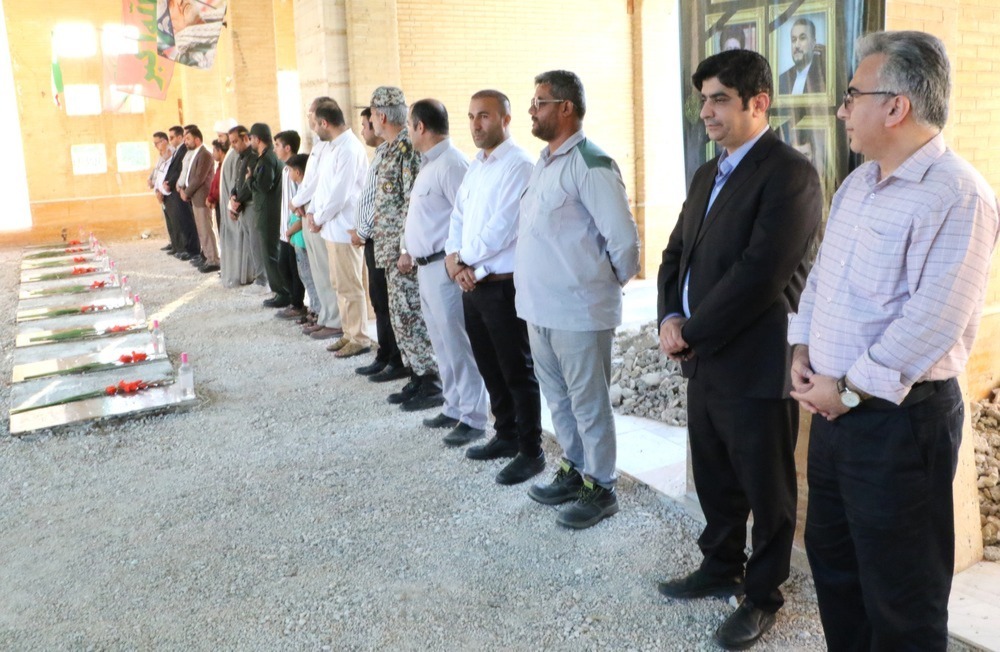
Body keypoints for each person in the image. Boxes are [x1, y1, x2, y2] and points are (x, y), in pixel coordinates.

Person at [787, 31, 999, 651]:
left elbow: (933, 319)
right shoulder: (858, 185)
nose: (842, 110)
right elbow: (821, 278)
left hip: (899, 426)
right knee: (836, 567)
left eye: (852, 95)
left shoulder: (958, 194)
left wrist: (847, 390)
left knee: (901, 594)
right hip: (835, 414)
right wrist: (802, 349)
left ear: (896, 106)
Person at [655, 49, 822, 650]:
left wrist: (691, 331)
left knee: (766, 488)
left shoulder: (790, 175)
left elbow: (760, 275)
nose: (706, 111)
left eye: (719, 99)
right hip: (703, 360)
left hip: (756, 362)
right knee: (715, 475)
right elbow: (675, 253)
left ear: (759, 103)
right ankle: (720, 564)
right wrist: (669, 316)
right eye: (703, 100)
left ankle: (762, 594)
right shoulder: (709, 173)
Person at [517, 71, 640, 521]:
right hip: (539, 309)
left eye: (540, 102)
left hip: (579, 312)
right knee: (559, 400)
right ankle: (575, 468)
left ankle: (601, 487)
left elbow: (624, 243)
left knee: (589, 405)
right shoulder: (544, 162)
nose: (532, 110)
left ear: (566, 108)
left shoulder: (591, 163)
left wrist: (599, 284)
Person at [444, 89, 543, 482]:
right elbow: (458, 217)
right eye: (471, 116)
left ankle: (531, 450)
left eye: (484, 116)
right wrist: (454, 260)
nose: (476, 124)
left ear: (505, 119)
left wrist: (463, 260)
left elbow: (503, 228)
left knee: (517, 369)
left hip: (503, 286)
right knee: (489, 365)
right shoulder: (477, 166)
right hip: (473, 285)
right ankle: (505, 434)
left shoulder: (519, 165)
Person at [402, 99, 489, 433]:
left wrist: (461, 263)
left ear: (421, 126)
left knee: (457, 344)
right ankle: (453, 406)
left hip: (445, 268)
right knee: (441, 343)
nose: (408, 131)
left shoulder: (452, 164)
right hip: (426, 268)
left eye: (409, 125)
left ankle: (473, 416)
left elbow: (470, 219)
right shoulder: (429, 164)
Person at [368, 86, 442, 410]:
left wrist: (404, 249)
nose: (371, 120)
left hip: (404, 255)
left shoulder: (406, 150)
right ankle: (416, 375)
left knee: (412, 316)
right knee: (400, 317)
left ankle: (431, 382)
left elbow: (412, 204)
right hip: (389, 253)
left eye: (372, 115)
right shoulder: (388, 150)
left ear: (382, 116)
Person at [306, 102, 373, 358]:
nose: (314, 129)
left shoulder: (349, 148)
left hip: (345, 227)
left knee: (350, 285)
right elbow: (323, 185)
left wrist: (319, 217)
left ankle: (359, 337)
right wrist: (313, 211)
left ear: (325, 123)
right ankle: (348, 332)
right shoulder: (332, 147)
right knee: (339, 284)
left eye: (315, 124)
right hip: (331, 228)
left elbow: (340, 193)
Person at [352, 107, 406, 381]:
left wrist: (362, 231)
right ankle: (385, 354)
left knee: (387, 302)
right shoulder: (381, 153)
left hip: (384, 239)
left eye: (366, 123)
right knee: (379, 300)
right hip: (374, 239)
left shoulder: (398, 152)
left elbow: (387, 204)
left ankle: (396, 359)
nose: (364, 130)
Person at [291, 97, 343, 341]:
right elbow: (310, 181)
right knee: (317, 271)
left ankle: (334, 319)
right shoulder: (320, 145)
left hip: (319, 214)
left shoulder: (336, 147)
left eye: (311, 113)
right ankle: (325, 315)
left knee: (326, 271)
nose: (309, 119)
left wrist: (300, 201)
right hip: (311, 210)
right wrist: (301, 203)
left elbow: (320, 183)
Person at [248, 123, 291, 308]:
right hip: (268, 212)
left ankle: (282, 292)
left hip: (268, 213)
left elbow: (264, 185)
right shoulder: (267, 157)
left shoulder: (267, 159)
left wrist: (250, 179)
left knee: (270, 255)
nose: (250, 142)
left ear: (257, 139)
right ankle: (280, 291)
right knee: (271, 254)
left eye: (251, 138)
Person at [273, 130, 307, 321]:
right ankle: (295, 301)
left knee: (294, 268)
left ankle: (298, 304)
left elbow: (300, 197)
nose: (275, 149)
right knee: (283, 265)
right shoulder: (285, 170)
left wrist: (295, 223)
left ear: (288, 148)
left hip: (294, 228)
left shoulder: (296, 170)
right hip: (285, 228)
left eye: (277, 145)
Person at [178, 125, 220, 273]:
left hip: (202, 197)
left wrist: (186, 192)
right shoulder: (195, 153)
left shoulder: (205, 154)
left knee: (206, 230)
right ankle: (207, 257)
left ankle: (213, 260)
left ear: (197, 139)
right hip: (195, 198)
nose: (185, 142)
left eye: (188, 139)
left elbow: (199, 178)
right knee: (201, 231)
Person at [284, 154, 320, 323]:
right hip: (299, 242)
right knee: (305, 277)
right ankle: (313, 308)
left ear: (298, 172)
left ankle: (316, 311)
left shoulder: (305, 193)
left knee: (310, 277)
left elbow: (300, 220)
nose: (289, 174)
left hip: (303, 241)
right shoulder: (301, 190)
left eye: (290, 170)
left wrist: (288, 232)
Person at [223, 125, 258, 288]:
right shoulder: (241, 157)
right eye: (231, 142)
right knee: (250, 245)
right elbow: (237, 182)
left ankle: (262, 280)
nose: (233, 146)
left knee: (256, 246)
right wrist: (232, 197)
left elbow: (250, 184)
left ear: (245, 138)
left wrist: (237, 202)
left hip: (250, 206)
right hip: (241, 205)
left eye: (235, 141)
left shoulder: (253, 156)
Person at [162, 125, 200, 260]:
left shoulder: (185, 150)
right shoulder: (177, 151)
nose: (185, 139)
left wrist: (172, 183)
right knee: (179, 221)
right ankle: (181, 247)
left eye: (172, 137)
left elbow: (180, 171)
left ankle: (191, 250)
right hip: (175, 190)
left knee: (186, 221)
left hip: (181, 190)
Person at [778, 18, 824, 95]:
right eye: (793, 40)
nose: (796, 45)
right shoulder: (782, 80)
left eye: (802, 38)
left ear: (813, 43)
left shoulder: (822, 75)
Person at [149, 131, 173, 252]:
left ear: (164, 141)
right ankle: (172, 241)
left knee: (173, 220)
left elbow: (167, 173)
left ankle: (178, 244)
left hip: (167, 191)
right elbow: (157, 170)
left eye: (157, 143)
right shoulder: (161, 154)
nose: (155, 146)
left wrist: (161, 190)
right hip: (160, 190)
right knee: (167, 219)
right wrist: (151, 180)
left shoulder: (170, 153)